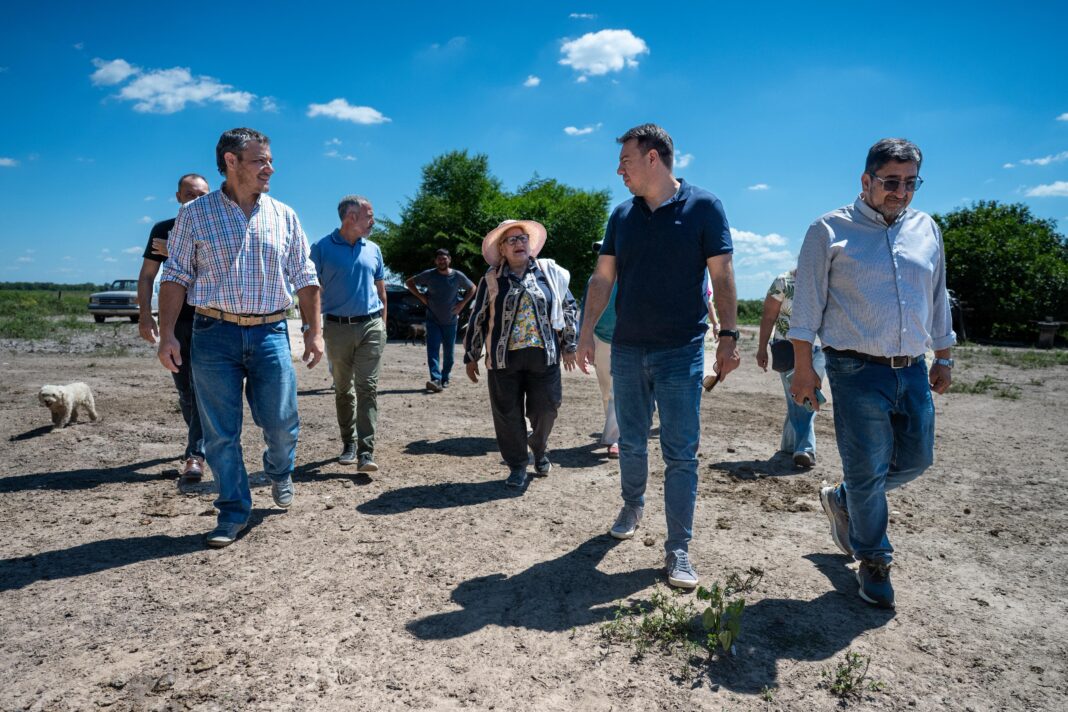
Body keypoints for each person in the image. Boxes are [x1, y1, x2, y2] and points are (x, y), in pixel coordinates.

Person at [788, 138, 955, 609]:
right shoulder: (828, 230)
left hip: (914, 368)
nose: (900, 192)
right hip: (855, 369)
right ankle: (875, 558)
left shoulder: (927, 229)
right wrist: (804, 369)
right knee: (867, 470)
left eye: (910, 183)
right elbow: (805, 309)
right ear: (866, 181)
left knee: (917, 460)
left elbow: (938, 296)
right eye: (890, 182)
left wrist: (943, 356)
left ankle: (844, 499)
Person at [578, 123, 741, 590]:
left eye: (625, 161)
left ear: (653, 158)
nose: (619, 171)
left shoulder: (704, 207)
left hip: (680, 351)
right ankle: (632, 504)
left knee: (680, 453)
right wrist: (586, 332)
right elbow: (601, 279)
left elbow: (723, 273)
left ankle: (678, 549)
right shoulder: (622, 216)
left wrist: (728, 335)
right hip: (627, 348)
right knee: (630, 440)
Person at [158, 127, 323, 549]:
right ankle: (233, 510)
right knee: (220, 433)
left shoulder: (283, 214)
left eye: (269, 160)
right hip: (213, 334)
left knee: (282, 423)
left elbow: (305, 277)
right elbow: (175, 276)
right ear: (231, 162)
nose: (270, 167)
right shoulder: (195, 215)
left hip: (270, 332)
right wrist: (167, 335)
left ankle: (279, 469)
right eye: (260, 160)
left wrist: (313, 331)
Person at [464, 220, 578, 488]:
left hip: (544, 357)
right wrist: (471, 355)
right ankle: (517, 465)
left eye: (522, 238)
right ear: (501, 249)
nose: (519, 244)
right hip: (504, 361)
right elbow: (478, 316)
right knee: (507, 415)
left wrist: (569, 344)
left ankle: (538, 448)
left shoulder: (549, 273)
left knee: (547, 408)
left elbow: (568, 306)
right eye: (511, 240)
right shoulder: (491, 279)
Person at [137, 173, 210, 482]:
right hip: (177, 320)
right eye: (190, 195)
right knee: (185, 391)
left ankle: (196, 453)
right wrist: (145, 314)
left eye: (203, 195)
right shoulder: (163, 230)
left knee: (204, 388)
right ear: (179, 197)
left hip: (211, 318)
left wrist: (176, 251)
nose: (197, 200)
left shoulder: (216, 228)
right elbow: (147, 276)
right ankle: (201, 442)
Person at [310, 196, 387, 473]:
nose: (373, 221)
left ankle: (366, 452)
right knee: (344, 389)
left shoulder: (374, 249)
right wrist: (313, 330)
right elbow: (312, 291)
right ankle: (349, 443)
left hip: (371, 326)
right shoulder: (320, 248)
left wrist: (383, 325)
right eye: (369, 216)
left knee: (368, 387)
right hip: (337, 328)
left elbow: (381, 290)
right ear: (351, 216)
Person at [755, 268, 826, 467]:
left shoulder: (827, 281)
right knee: (800, 398)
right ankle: (805, 449)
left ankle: (789, 445)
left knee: (801, 397)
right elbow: (768, 316)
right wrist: (761, 349)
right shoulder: (783, 282)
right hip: (788, 348)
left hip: (820, 348)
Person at [405, 248, 476, 392]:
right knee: (433, 351)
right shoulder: (429, 275)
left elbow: (473, 288)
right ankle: (435, 379)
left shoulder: (457, 276)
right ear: (435, 261)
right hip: (433, 320)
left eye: (444, 258)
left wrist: (462, 304)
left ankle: (445, 378)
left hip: (450, 321)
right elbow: (409, 282)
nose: (442, 261)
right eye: (439, 259)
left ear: (449, 260)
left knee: (449, 354)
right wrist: (422, 297)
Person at [581, 241, 619, 458]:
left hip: (629, 340)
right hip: (601, 338)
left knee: (618, 391)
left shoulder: (634, 276)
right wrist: (584, 340)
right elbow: (585, 312)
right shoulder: (594, 281)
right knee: (607, 391)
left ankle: (615, 439)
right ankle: (616, 433)